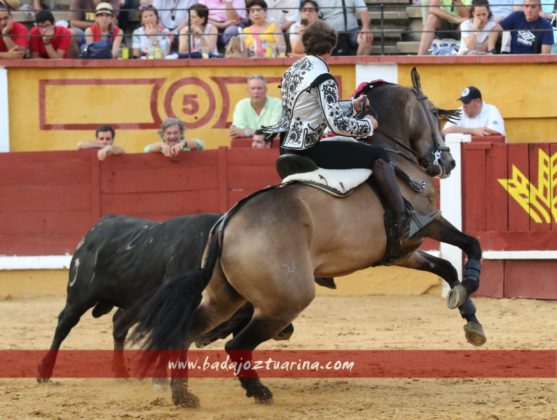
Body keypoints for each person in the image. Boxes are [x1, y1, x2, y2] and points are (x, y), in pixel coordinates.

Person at [264, 20, 415, 249]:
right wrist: (367, 124)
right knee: (379, 154)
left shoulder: (293, 71)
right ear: (332, 48)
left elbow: (315, 109)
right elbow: (337, 125)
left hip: (286, 146)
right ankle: (404, 219)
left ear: (305, 45)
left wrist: (352, 106)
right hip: (310, 149)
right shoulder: (324, 78)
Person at [229, 74, 282, 139]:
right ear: (248, 91)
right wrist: (263, 134)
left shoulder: (277, 104)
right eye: (253, 88)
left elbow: (275, 133)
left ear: (265, 90)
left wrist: (247, 132)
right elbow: (237, 132)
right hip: (246, 147)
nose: (256, 92)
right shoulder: (241, 105)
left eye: (259, 88)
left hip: (271, 148)